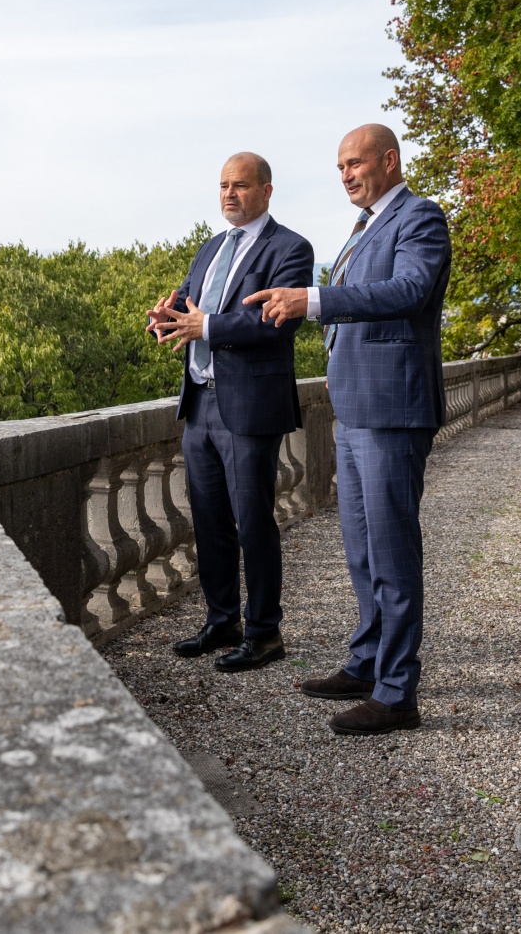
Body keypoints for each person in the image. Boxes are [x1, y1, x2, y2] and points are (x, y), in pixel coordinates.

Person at [244, 124, 451, 736]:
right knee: (362, 550)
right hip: (356, 407)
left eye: (355, 164)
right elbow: (363, 305)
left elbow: (408, 291)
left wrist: (314, 302)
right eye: (340, 168)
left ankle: (396, 693)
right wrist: (336, 356)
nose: (346, 176)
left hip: (392, 410)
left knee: (392, 550)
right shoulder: (364, 228)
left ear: (389, 160)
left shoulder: (419, 217)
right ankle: (366, 662)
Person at [147, 152, 314, 672]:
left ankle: (265, 633)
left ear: (266, 190)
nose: (229, 194)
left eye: (240, 185)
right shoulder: (210, 248)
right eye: (222, 185)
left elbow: (278, 322)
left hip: (249, 407)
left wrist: (209, 329)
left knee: (253, 522)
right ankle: (223, 621)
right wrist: (166, 321)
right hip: (200, 403)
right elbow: (190, 313)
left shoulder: (290, 248)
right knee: (209, 520)